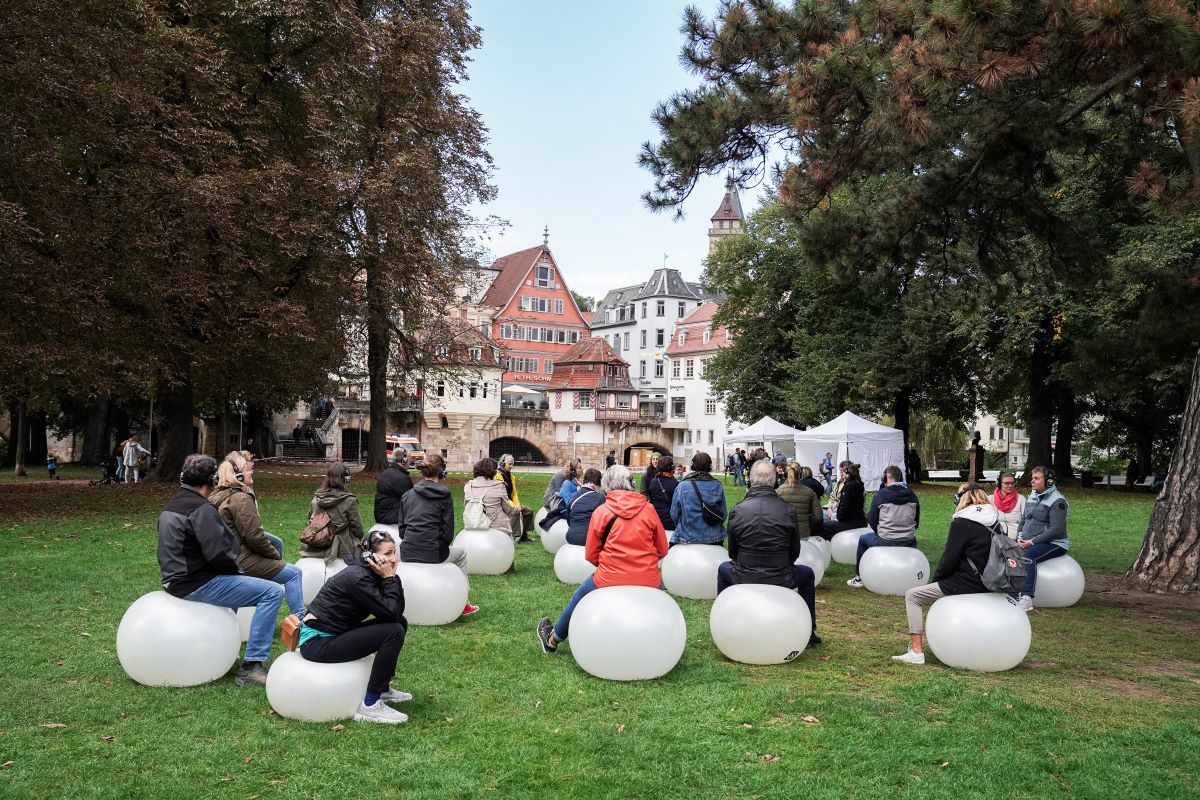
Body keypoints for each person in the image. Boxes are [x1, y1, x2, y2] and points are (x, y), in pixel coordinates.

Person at [157, 454, 283, 686]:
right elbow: (219, 554)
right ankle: (251, 666)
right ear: (213, 479)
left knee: (236, 583)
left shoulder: (171, 506)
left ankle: (223, 647)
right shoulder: (201, 509)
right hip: (195, 583)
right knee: (272, 592)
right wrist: (236, 570)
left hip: (174, 579)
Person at [537, 465, 669, 653]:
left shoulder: (601, 511)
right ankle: (664, 642)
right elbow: (662, 549)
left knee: (578, 597)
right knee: (666, 607)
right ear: (630, 484)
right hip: (648, 578)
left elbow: (591, 554)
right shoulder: (648, 510)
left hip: (609, 577)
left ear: (606, 485)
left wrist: (612, 566)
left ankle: (553, 639)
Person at [299, 529, 411, 724]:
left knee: (399, 624)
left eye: (394, 552)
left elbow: (396, 613)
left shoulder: (369, 571)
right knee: (393, 632)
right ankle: (370, 704)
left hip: (334, 633)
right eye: (387, 554)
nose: (393, 559)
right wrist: (389, 579)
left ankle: (382, 689)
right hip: (317, 643)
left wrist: (392, 577)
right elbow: (390, 612)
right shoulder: (358, 577)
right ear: (370, 555)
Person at [892, 484, 997, 665]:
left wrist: (937, 581)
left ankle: (916, 651)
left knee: (913, 596)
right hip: (991, 582)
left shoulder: (962, 522)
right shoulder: (994, 520)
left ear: (961, 499)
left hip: (966, 582)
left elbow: (949, 559)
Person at [720, 460, 821, 647]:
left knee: (723, 569)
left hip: (745, 574)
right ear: (774, 481)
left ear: (751, 481)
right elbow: (795, 551)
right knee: (807, 574)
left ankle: (724, 621)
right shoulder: (788, 510)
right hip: (780, 575)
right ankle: (810, 632)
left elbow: (732, 552)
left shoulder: (738, 510)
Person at [208, 451, 305, 620]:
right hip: (240, 559)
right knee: (293, 573)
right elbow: (254, 537)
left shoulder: (216, 496)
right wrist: (274, 556)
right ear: (237, 475)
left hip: (224, 559)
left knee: (235, 598)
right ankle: (303, 624)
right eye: (247, 469)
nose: (251, 471)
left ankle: (226, 628)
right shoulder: (240, 499)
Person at [399, 454, 478, 616]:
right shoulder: (444, 496)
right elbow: (447, 533)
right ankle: (463, 602)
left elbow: (402, 530)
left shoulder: (407, 494)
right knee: (461, 554)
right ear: (442, 472)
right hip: (433, 551)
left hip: (407, 551)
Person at [847, 465, 920, 588]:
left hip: (885, 539)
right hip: (909, 540)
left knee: (863, 540)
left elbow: (871, 519)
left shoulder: (880, 495)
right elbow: (916, 521)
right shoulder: (913, 495)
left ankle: (859, 577)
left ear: (886, 479)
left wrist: (880, 534)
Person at [1011, 466, 1070, 612]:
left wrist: (1032, 542)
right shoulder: (1033, 495)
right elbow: (1024, 519)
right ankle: (1012, 596)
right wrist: (1019, 537)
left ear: (1048, 482)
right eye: (1032, 478)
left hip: (1055, 543)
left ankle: (1027, 598)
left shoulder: (1058, 501)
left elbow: (1057, 529)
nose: (1032, 481)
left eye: (1036, 478)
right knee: (1010, 553)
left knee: (1028, 557)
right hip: (1029, 540)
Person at [300, 462, 365, 563]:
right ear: (346, 480)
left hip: (314, 545)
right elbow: (357, 529)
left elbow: (310, 520)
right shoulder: (349, 500)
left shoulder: (316, 499)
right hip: (341, 549)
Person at [668, 452, 727, 545]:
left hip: (687, 536)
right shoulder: (717, 485)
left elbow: (674, 514)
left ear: (693, 465)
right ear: (709, 466)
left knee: (669, 556)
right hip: (714, 537)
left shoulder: (682, 486)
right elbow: (723, 515)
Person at [463, 457, 516, 531]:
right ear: (493, 471)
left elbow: (466, 506)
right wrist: (514, 510)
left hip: (474, 523)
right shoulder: (499, 485)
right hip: (497, 526)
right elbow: (507, 508)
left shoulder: (468, 485)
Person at [775, 462, 822, 538]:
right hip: (803, 533)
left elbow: (774, 515)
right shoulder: (809, 492)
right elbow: (818, 516)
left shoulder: (778, 492)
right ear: (800, 474)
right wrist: (805, 519)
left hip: (785, 534)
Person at [495, 454, 534, 542]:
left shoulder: (511, 477)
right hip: (502, 503)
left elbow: (514, 494)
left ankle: (523, 535)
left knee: (528, 511)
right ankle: (514, 537)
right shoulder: (497, 476)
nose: (511, 466)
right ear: (502, 463)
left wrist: (517, 504)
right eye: (509, 464)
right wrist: (514, 506)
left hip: (510, 502)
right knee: (516, 511)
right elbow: (502, 496)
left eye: (512, 464)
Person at [564, 468, 605, 545]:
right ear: (599, 482)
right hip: (590, 539)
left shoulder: (574, 495)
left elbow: (568, 518)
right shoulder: (600, 498)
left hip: (571, 536)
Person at [823, 463, 867, 535]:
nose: (841, 474)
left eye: (842, 472)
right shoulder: (859, 484)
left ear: (847, 475)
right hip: (860, 521)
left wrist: (837, 517)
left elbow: (843, 510)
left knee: (823, 526)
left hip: (851, 523)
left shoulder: (848, 486)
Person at [374, 450, 414, 526]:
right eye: (410, 458)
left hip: (383, 516)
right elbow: (410, 502)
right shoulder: (401, 478)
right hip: (393, 519)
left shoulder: (387, 472)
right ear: (404, 460)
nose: (411, 461)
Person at [646, 456, 678, 533]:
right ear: (671, 468)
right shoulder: (675, 484)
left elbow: (651, 499)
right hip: (670, 522)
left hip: (655, 520)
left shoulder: (653, 481)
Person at [991, 471, 1026, 539]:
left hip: (1015, 537)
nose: (1010, 486)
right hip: (995, 535)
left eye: (1012, 483)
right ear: (999, 484)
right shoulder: (990, 499)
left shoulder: (1021, 499)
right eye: (1007, 483)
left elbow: (1026, 520)